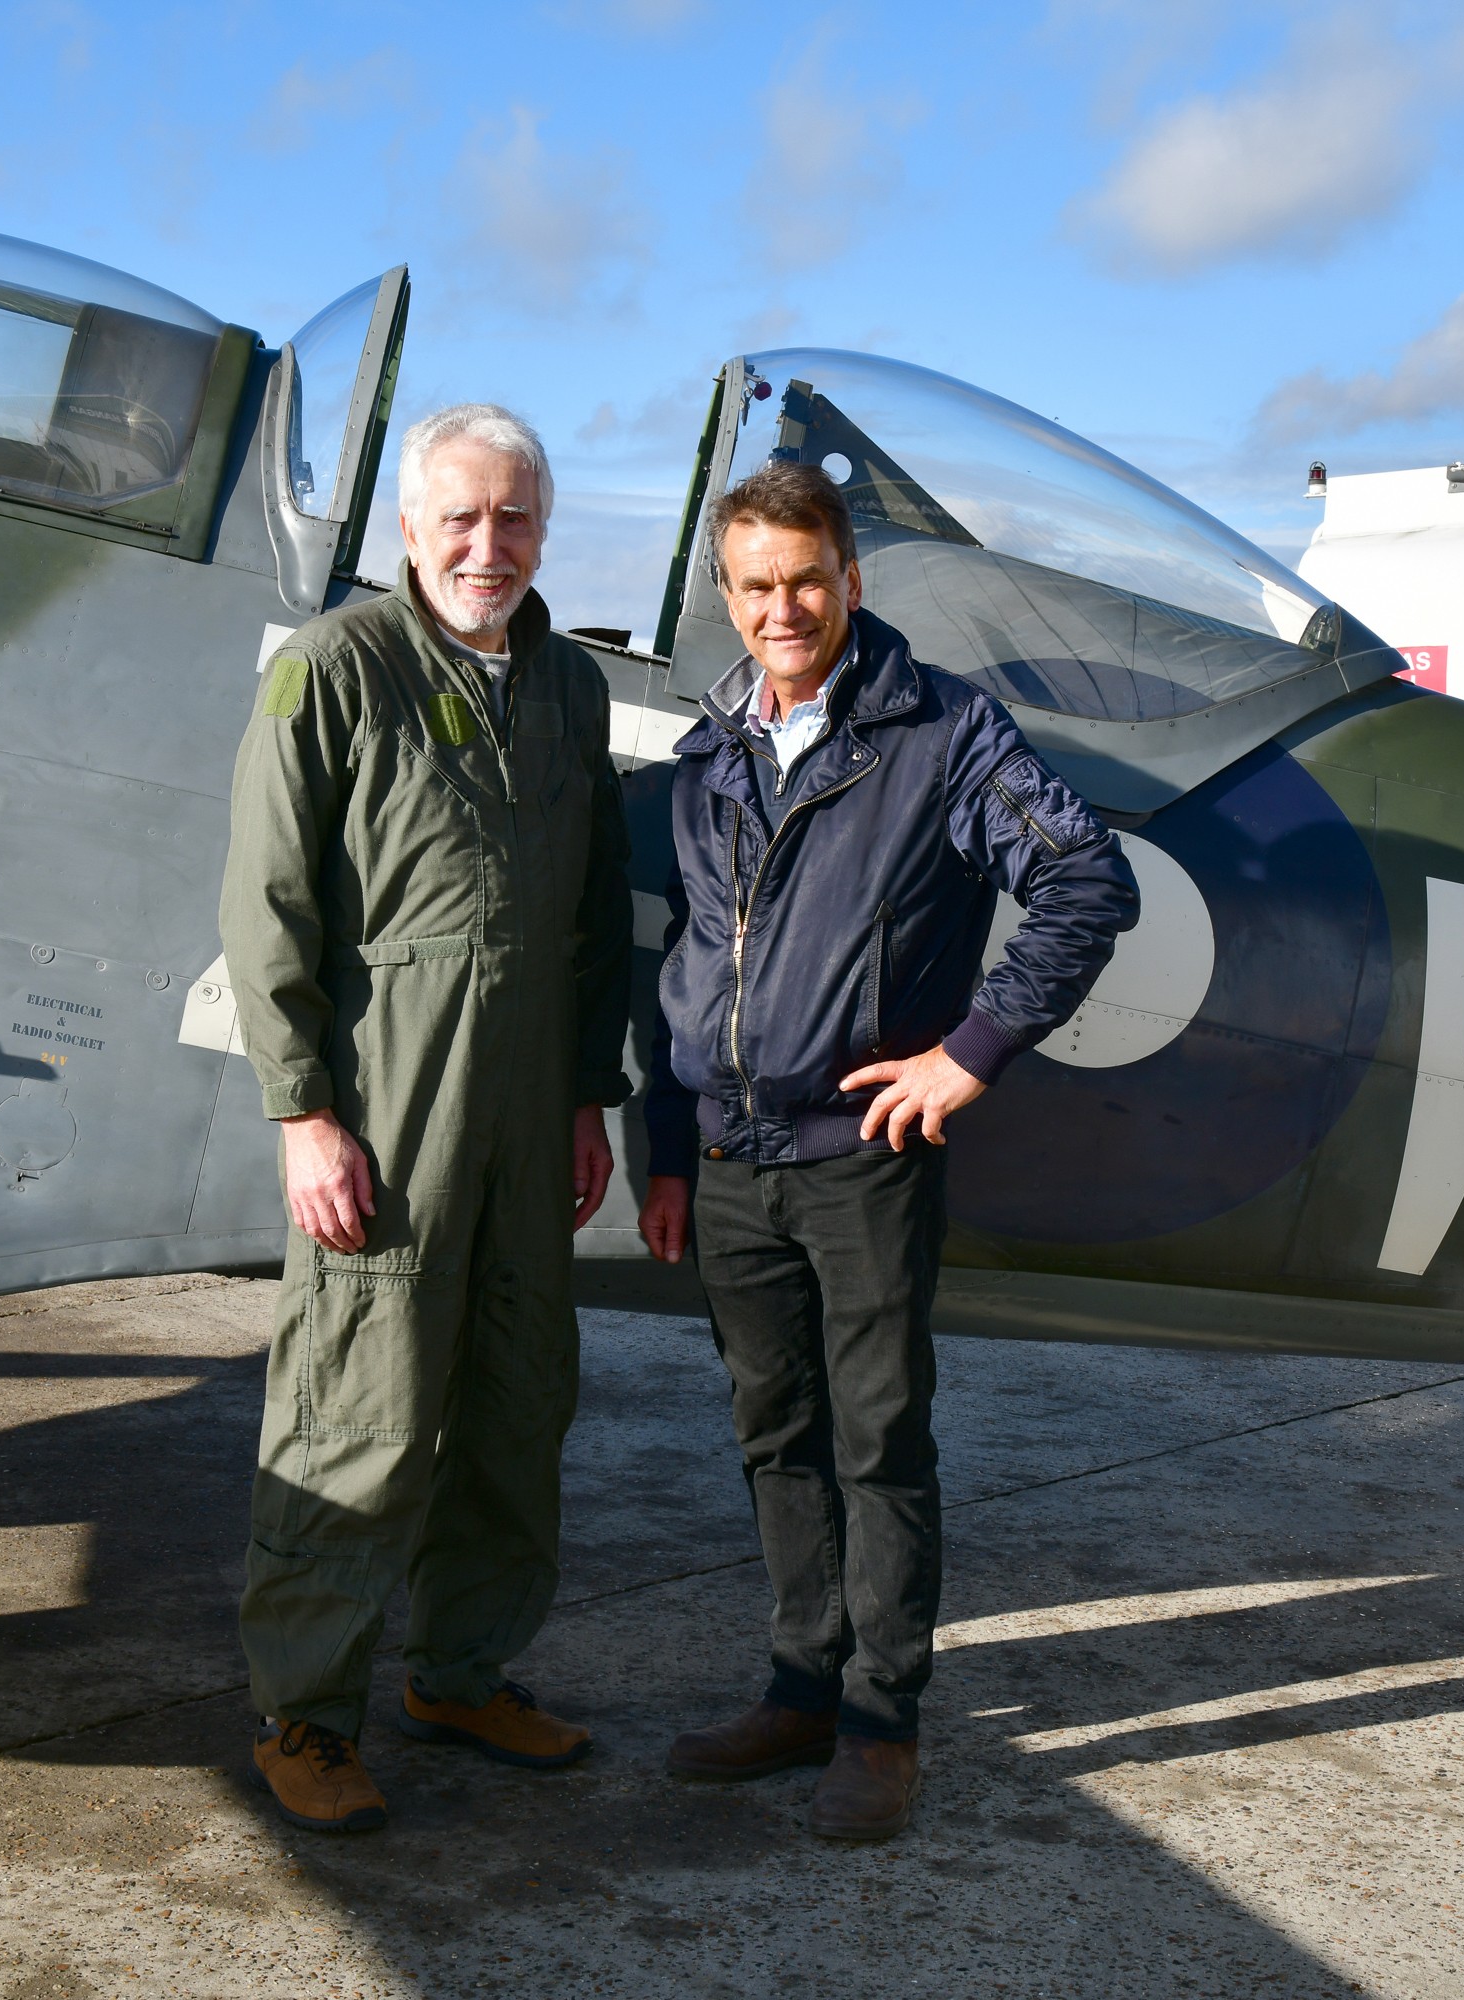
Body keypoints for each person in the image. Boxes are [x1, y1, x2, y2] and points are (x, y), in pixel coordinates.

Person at [637, 460, 1137, 1840]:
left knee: (877, 1439)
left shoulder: (944, 732)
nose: (782, 608)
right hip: (732, 1162)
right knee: (774, 1432)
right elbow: (683, 959)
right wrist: (666, 1146)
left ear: (851, 581)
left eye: (806, 580)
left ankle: (880, 1721)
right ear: (727, 597)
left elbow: (1087, 879)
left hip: (860, 1157)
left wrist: (970, 1053)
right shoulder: (710, 749)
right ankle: (798, 1690)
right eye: (755, 586)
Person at [221, 402, 633, 1835]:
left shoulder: (566, 688)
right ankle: (306, 1715)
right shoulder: (335, 669)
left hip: (530, 1108)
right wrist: (304, 1114)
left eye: (515, 519)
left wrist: (591, 1095)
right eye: (459, 517)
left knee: (520, 1404)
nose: (488, 545)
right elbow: (267, 906)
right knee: (361, 1410)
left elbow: (592, 920)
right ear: (408, 528)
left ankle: (462, 1672)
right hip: (389, 1101)